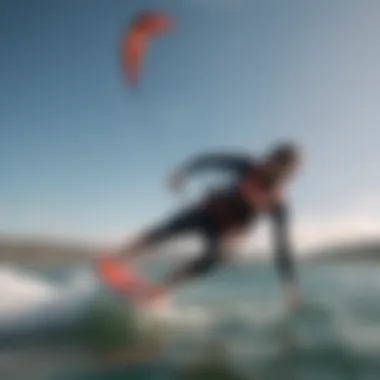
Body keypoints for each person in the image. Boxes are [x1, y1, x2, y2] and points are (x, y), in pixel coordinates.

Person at [98, 141, 302, 309]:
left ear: (286, 174)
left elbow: (282, 246)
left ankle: (163, 288)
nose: (270, 167)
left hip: (226, 233)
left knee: (224, 255)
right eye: (272, 160)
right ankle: (120, 257)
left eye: (280, 167)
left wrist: (289, 283)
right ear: (269, 157)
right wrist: (184, 173)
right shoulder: (247, 166)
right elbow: (211, 160)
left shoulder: (278, 205)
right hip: (207, 212)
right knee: (164, 231)